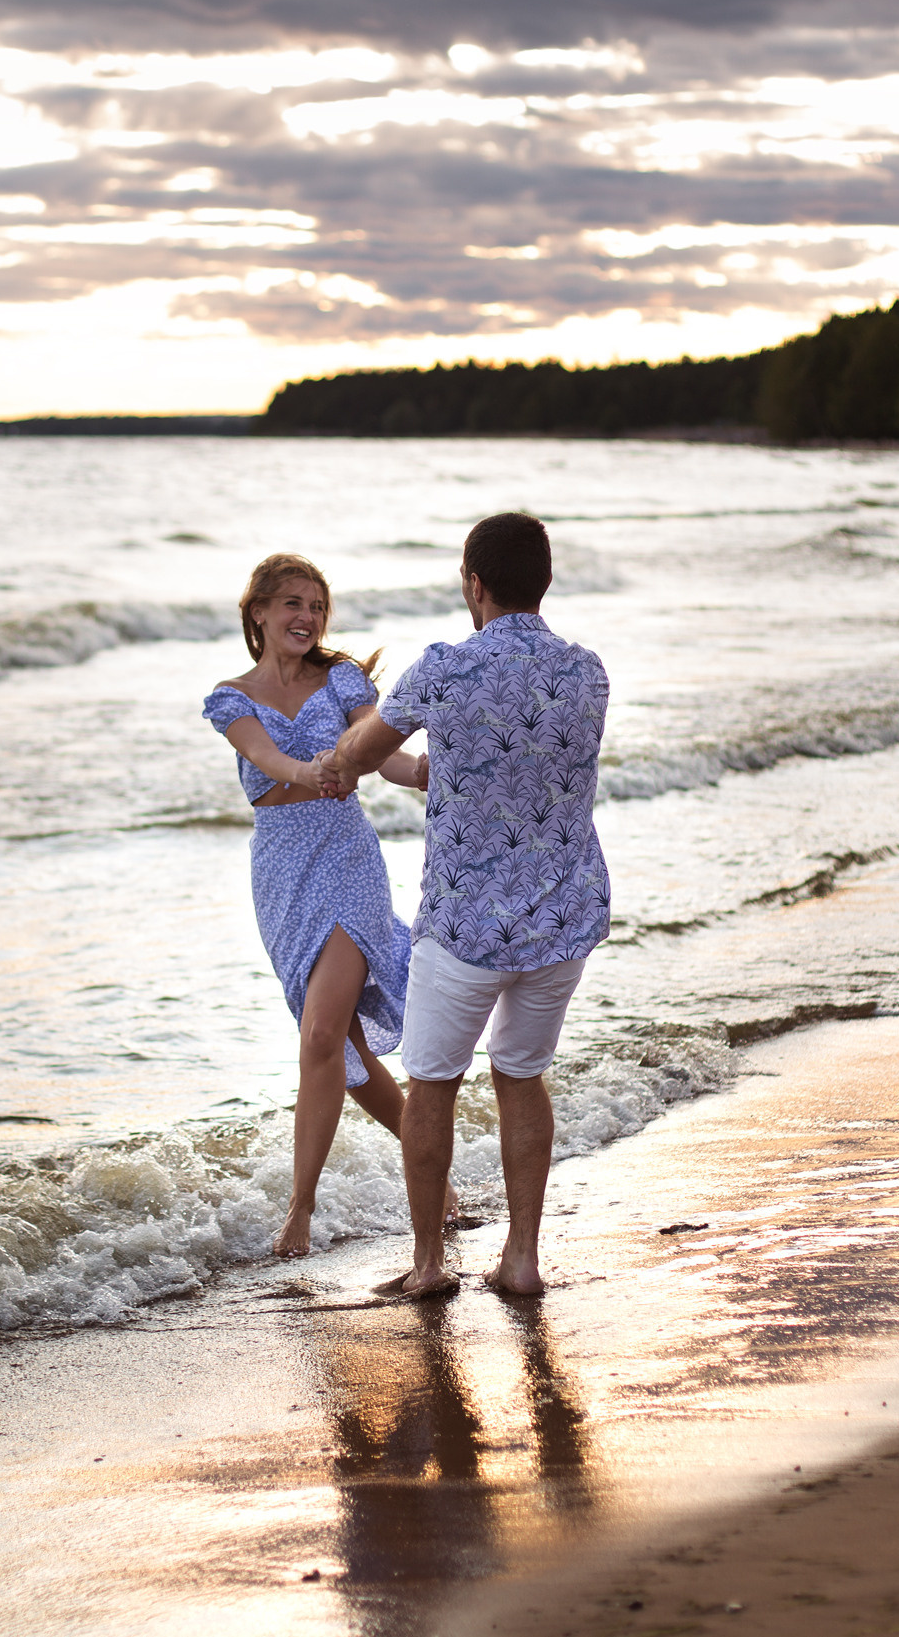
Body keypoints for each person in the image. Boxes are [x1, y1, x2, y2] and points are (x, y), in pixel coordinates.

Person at [325, 513, 610, 1298]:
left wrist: (333, 762)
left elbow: (359, 752)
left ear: (473, 585)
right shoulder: (586, 671)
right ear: (541, 582)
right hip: (561, 916)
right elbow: (519, 764)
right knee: (520, 1073)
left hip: (464, 926)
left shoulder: (443, 668)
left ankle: (428, 1264)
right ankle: (520, 1257)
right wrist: (429, 773)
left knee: (431, 1083)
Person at [202, 553, 438, 1258]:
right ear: (259, 612)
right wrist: (308, 769)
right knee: (345, 1047)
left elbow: (384, 753)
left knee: (317, 1039)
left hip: (345, 857)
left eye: (316, 606)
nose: (306, 617)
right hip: (279, 867)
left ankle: (298, 1210)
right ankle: (436, 1170)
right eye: (291, 604)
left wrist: (426, 772)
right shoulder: (230, 696)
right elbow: (266, 759)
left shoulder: (343, 681)